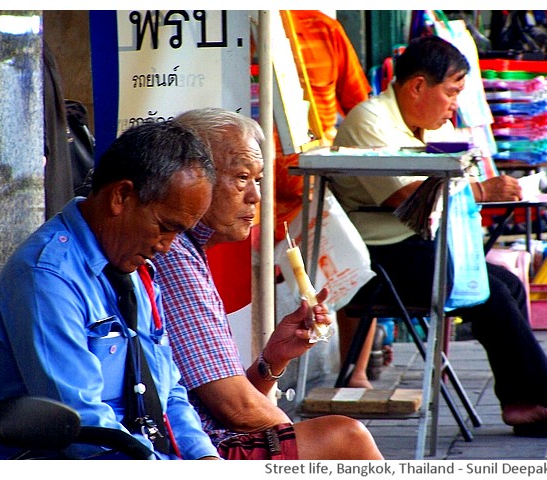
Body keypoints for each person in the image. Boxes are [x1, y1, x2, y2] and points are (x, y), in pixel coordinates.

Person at [329, 35, 547, 437]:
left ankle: (521, 404)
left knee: (507, 283)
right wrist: (483, 191)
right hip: (381, 259)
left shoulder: (429, 127)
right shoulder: (371, 120)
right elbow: (408, 200)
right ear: (418, 86)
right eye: (451, 92)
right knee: (491, 292)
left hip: (419, 248)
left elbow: (453, 186)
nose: (454, 105)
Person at [152, 107, 384, 460]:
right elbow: (235, 410)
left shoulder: (191, 251)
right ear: (192, 176)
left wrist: (273, 359)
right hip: (191, 450)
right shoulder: (175, 255)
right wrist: (293, 436)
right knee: (345, 438)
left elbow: (225, 402)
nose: (256, 197)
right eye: (241, 177)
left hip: (204, 436)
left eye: (258, 179)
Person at [0, 121, 221, 459]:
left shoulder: (135, 268)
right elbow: (86, 427)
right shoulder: (47, 278)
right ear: (121, 196)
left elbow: (168, 390)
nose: (167, 246)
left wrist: (203, 456)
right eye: (165, 227)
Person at [273, 10, 378, 389]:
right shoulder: (230, 29)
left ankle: (356, 372)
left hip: (311, 191)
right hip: (245, 198)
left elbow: (360, 105)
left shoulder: (323, 28)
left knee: (355, 269)